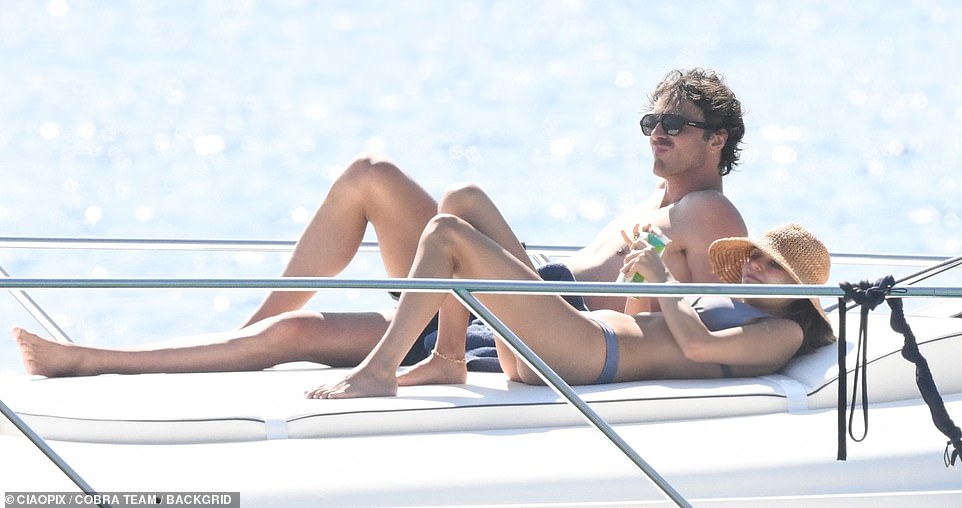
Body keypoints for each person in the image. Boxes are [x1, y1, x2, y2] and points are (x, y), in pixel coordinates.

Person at [13, 68, 749, 378]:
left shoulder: (707, 208)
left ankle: (93, 360)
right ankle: (237, 333)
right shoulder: (653, 202)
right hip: (508, 300)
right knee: (372, 176)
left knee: (297, 339)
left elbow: (700, 320)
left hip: (543, 324)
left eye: (676, 124)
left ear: (717, 141)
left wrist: (643, 286)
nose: (658, 132)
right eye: (652, 120)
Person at [305, 217, 836, 398]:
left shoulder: (783, 332)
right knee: (463, 201)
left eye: (770, 265)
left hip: (583, 355)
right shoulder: (733, 305)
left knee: (447, 234)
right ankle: (449, 356)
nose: (754, 266)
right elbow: (648, 325)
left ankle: (379, 371)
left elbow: (696, 347)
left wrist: (669, 282)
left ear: (799, 292)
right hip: (577, 338)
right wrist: (644, 280)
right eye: (755, 256)